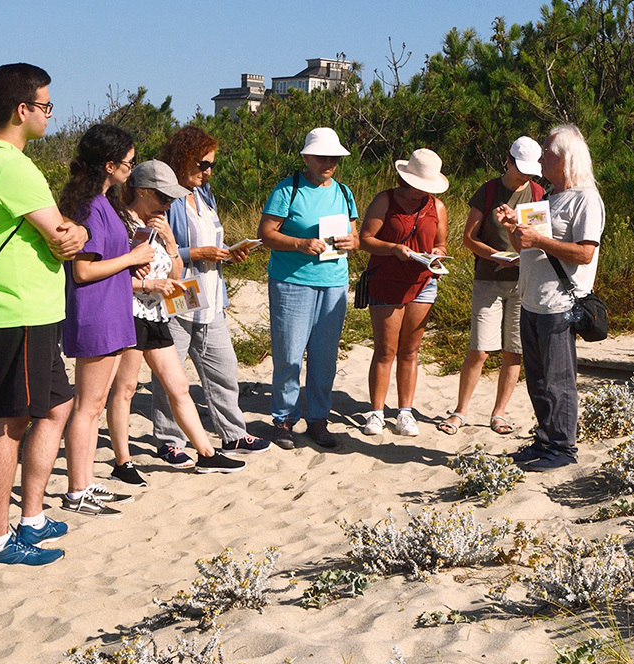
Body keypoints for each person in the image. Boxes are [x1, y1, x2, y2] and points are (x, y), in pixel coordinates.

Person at [0, 63, 88, 565]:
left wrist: (70, 231)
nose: (49, 116)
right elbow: (63, 240)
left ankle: (31, 516)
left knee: (57, 406)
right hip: (16, 309)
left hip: (31, 309)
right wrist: (73, 232)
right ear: (22, 109)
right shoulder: (9, 163)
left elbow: (60, 233)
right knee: (9, 423)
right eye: (46, 106)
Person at [106, 160, 246, 485]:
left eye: (171, 198)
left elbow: (175, 276)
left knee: (179, 386)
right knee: (125, 389)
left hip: (156, 314)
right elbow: (109, 279)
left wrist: (170, 244)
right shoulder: (120, 224)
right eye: (163, 197)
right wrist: (146, 285)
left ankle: (207, 455)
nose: (169, 203)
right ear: (142, 191)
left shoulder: (160, 223)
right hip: (128, 313)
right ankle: (123, 462)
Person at [151, 126, 271, 468]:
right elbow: (160, 250)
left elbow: (211, 242)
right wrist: (198, 252)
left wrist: (227, 254)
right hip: (179, 292)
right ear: (181, 159)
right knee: (171, 372)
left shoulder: (205, 196)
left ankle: (233, 432)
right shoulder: (167, 199)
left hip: (211, 293)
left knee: (223, 367)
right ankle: (169, 440)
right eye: (202, 164)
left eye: (211, 165)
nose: (207, 172)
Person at [496, 124, 605, 470]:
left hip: (559, 304)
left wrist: (540, 240)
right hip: (532, 300)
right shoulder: (547, 198)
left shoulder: (586, 199)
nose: (541, 158)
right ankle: (545, 439)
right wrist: (515, 227)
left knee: (559, 380)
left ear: (566, 159)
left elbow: (586, 253)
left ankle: (562, 446)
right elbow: (525, 246)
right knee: (539, 377)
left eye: (547, 153)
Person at [58, 124, 152, 517]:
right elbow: (82, 271)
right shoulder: (90, 207)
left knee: (94, 404)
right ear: (109, 165)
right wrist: (131, 259)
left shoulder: (104, 202)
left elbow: (104, 264)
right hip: (96, 314)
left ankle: (84, 483)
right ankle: (77, 490)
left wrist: (132, 270)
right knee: (88, 405)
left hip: (112, 311)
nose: (132, 169)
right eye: (129, 163)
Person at [257, 127, 359, 449]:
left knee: (324, 356)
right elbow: (266, 234)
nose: (328, 162)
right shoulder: (288, 189)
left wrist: (350, 242)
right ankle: (284, 419)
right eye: (321, 156)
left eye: (333, 157)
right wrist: (300, 243)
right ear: (306, 157)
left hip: (334, 282)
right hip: (292, 283)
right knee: (289, 354)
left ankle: (318, 419)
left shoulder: (344, 192)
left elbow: (355, 237)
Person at [438, 136, 545, 437]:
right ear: (508, 161)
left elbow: (537, 235)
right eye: (520, 168)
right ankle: (461, 411)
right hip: (488, 279)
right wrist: (496, 256)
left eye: (529, 171)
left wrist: (516, 239)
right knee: (480, 350)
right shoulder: (487, 191)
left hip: (524, 282)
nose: (524, 176)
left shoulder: (537, 193)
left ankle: (499, 413)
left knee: (515, 350)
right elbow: (469, 238)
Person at [358, 149, 448, 437]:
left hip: (423, 281)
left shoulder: (438, 207)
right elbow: (366, 241)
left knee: (410, 351)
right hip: (387, 280)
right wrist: (395, 250)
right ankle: (376, 412)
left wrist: (437, 253)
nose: (422, 192)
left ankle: (405, 412)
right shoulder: (385, 200)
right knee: (386, 350)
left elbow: (442, 244)